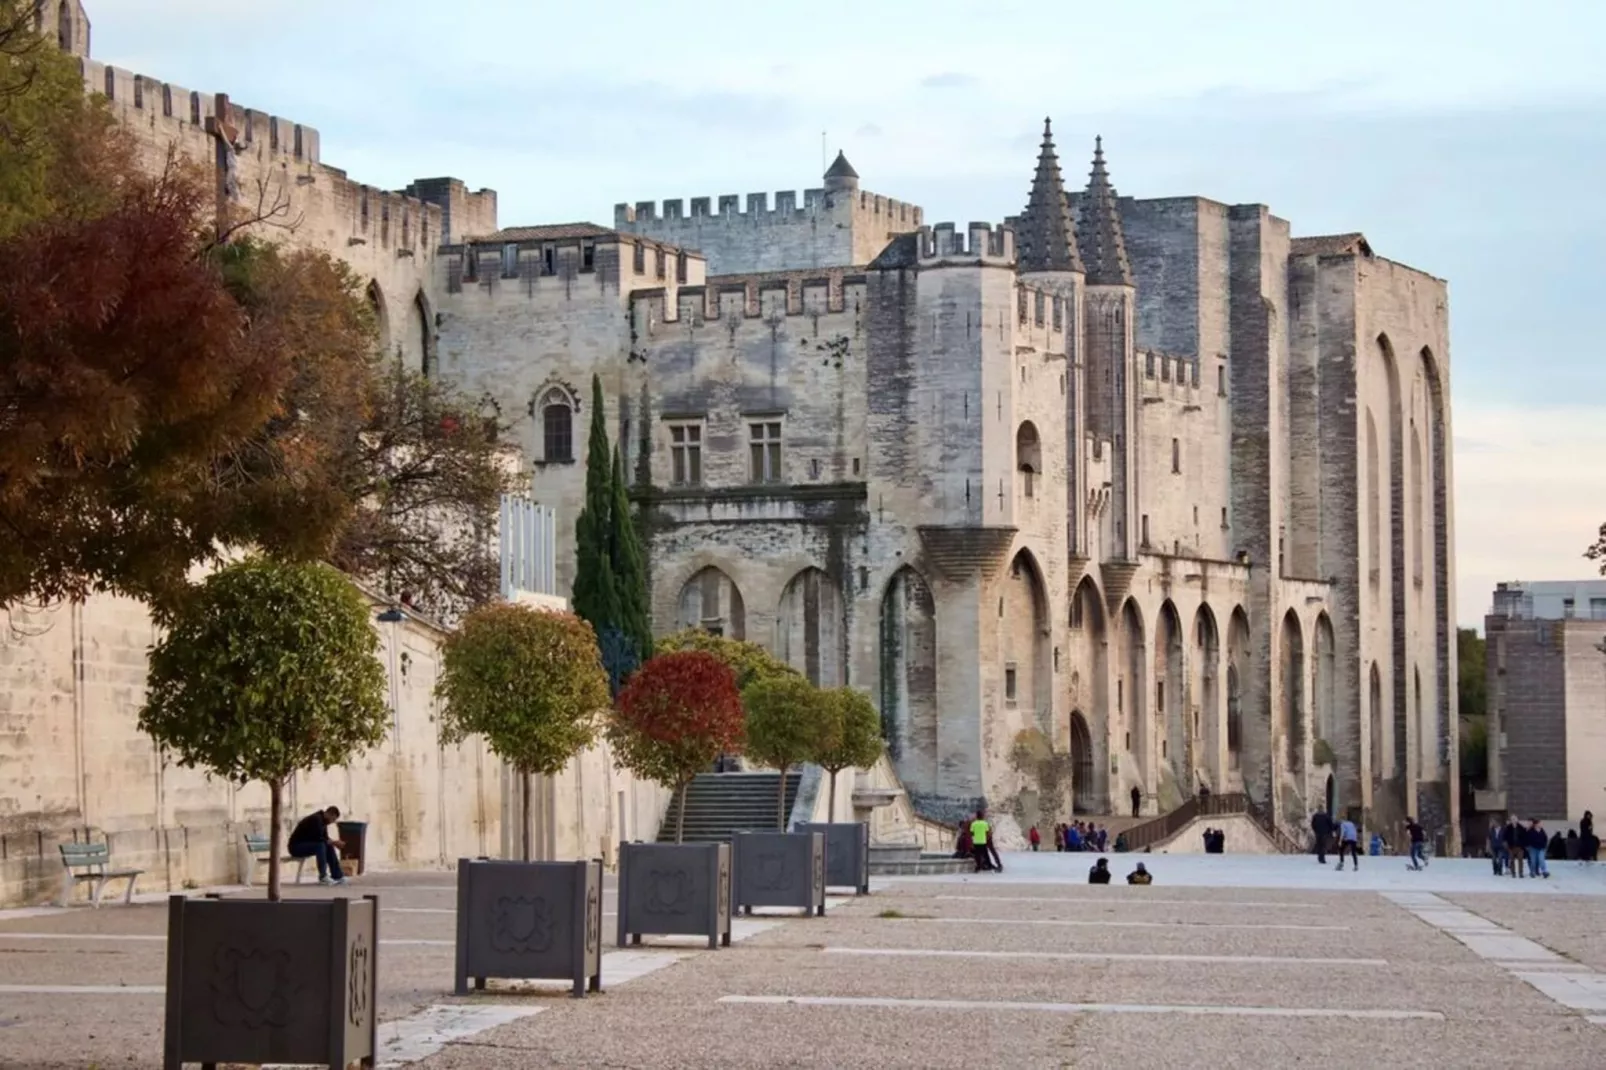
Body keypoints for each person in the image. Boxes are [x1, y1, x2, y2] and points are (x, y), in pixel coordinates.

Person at [288, 806, 347, 886]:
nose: (332, 822)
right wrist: (334, 842)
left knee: (328, 846)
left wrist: (334, 843)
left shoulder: (323, 821)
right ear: (329, 814)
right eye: (333, 819)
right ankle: (323, 876)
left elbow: (325, 838)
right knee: (320, 845)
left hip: (307, 845)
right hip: (295, 847)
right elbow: (319, 838)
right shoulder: (316, 819)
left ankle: (337, 875)